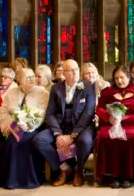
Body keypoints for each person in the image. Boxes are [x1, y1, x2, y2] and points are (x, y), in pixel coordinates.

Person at [33, 59, 95, 187]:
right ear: (64, 73)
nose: (75, 72)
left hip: (81, 127)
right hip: (61, 126)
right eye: (71, 70)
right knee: (39, 140)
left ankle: (79, 171)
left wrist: (73, 136)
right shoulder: (56, 88)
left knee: (85, 141)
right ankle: (63, 169)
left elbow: (88, 113)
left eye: (76, 69)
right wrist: (58, 135)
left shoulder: (88, 87)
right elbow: (50, 113)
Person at [95, 65, 134, 188]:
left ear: (129, 77)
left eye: (122, 77)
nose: (119, 81)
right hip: (113, 123)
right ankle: (112, 175)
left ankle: (128, 175)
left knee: (133, 138)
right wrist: (108, 118)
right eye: (116, 78)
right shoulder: (108, 92)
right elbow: (100, 108)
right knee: (104, 137)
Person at [0, 68, 49, 189]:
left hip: (33, 127)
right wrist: (6, 126)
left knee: (25, 140)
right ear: (19, 80)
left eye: (33, 77)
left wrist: (29, 125)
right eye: (28, 77)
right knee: (11, 141)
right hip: (11, 127)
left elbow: (42, 113)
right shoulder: (10, 93)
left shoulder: (42, 92)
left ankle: (29, 180)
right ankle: (10, 180)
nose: (33, 80)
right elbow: (3, 111)